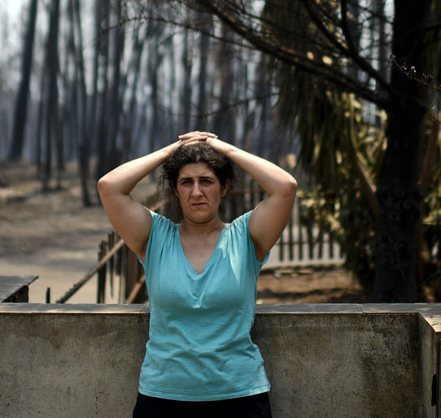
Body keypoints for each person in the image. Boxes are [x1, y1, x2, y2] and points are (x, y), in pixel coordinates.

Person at [97, 131, 298, 418]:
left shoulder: (246, 236)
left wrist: (222, 148)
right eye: (186, 182)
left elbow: (285, 187)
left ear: (224, 186)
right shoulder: (155, 237)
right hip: (162, 398)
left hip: (238, 396)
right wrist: (173, 150)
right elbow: (109, 186)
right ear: (176, 190)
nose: (196, 192)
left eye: (206, 181)